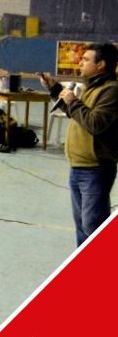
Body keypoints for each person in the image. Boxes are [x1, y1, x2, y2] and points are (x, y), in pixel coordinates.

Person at [38, 43, 118, 245]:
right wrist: (55, 89)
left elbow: (95, 123)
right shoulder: (92, 87)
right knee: (83, 225)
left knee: (93, 226)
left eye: (86, 59)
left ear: (101, 64)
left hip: (96, 168)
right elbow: (78, 114)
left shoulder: (111, 91)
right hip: (79, 166)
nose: (80, 63)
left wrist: (74, 101)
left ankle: (102, 264)